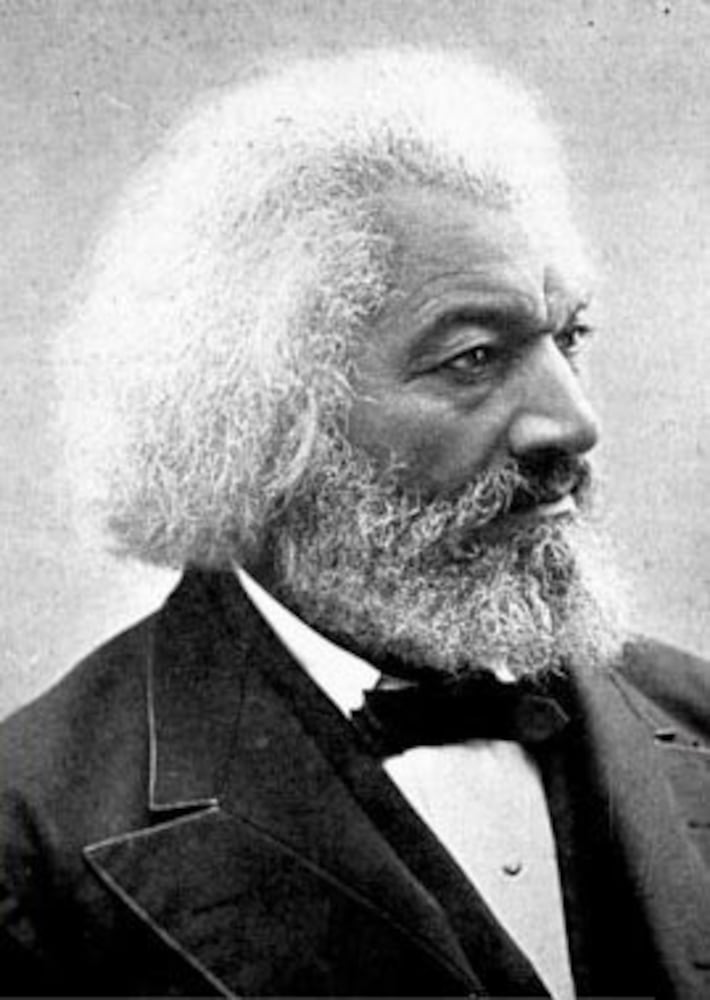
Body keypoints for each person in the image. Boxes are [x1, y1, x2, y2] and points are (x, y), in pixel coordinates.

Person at [1, 48, 709, 1000]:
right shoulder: (31, 840)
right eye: (473, 357)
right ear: (267, 423)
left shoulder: (694, 713)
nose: (574, 423)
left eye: (567, 338)